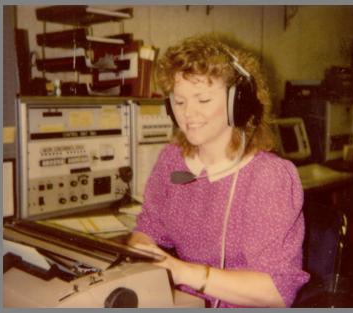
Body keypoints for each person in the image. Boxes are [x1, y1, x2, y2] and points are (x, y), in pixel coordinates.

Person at [128, 33, 310, 308]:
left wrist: (182, 272)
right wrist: (141, 250)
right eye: (179, 101)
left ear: (238, 103)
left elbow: (276, 291)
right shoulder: (171, 160)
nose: (188, 114)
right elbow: (149, 228)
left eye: (202, 100)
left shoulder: (269, 177)